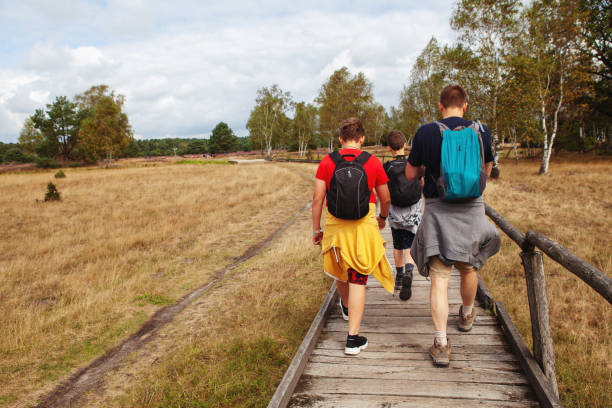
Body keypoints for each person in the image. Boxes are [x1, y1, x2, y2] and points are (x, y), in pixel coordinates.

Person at [405, 84, 501, 367]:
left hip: (438, 210)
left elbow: (410, 172)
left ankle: (441, 342)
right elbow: (486, 169)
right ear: (465, 105)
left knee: (439, 277)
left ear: (440, 105)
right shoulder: (481, 131)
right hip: (471, 208)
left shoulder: (425, 132)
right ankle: (468, 315)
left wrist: (426, 170)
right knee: (469, 266)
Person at [312, 117, 394, 355]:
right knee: (358, 277)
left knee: (340, 269)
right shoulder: (372, 162)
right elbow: (385, 197)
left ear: (340, 139)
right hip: (363, 224)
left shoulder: (327, 162)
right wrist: (382, 218)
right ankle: (352, 339)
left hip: (336, 225)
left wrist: (316, 230)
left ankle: (346, 305)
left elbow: (318, 199)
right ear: (362, 139)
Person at [383, 130, 423, 301]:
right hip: (413, 211)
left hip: (395, 212)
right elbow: (422, 183)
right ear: (405, 145)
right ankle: (409, 271)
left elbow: (383, 191)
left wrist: (381, 215)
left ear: (388, 148)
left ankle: (399, 278)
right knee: (410, 244)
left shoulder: (387, 167)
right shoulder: (414, 165)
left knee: (398, 245)